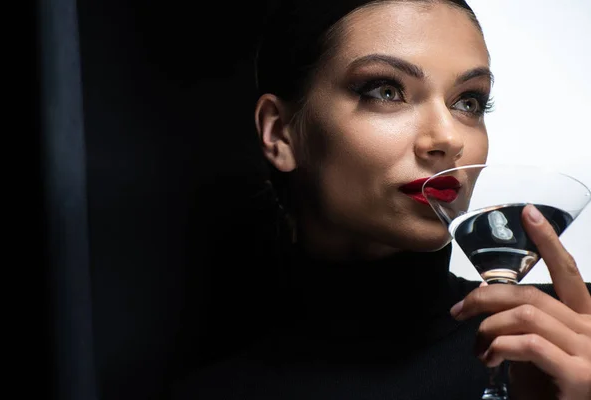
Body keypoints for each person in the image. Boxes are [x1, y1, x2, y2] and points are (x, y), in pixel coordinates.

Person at [173, 0, 591, 398]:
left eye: (469, 101)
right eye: (386, 91)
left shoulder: (572, 340)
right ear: (281, 133)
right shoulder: (212, 391)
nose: (448, 138)